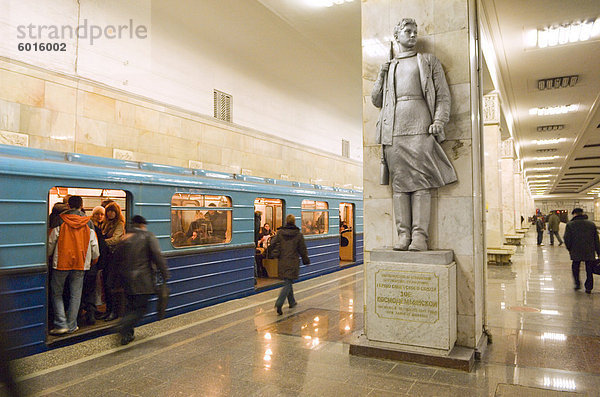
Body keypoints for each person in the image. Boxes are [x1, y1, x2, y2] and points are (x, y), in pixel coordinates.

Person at [372, 18, 457, 251]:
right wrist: (381, 74)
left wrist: (439, 119)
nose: (412, 35)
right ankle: (403, 234)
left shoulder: (428, 61)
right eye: (407, 31)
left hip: (420, 124)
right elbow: (376, 100)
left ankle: (420, 236)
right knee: (399, 184)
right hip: (394, 129)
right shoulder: (390, 66)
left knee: (421, 182)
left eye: (415, 32)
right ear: (397, 36)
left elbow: (443, 95)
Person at [47, 195, 99, 334]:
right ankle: (71, 325)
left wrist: (49, 255)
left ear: (68, 206)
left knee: (56, 293)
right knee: (76, 295)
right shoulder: (89, 223)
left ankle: (60, 323)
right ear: (82, 206)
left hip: (61, 263)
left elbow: (51, 242)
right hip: (81, 263)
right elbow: (94, 246)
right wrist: (93, 259)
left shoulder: (59, 220)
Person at [115, 215, 170, 345]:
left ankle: (127, 335)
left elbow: (116, 260)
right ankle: (122, 326)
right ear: (142, 225)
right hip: (142, 280)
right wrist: (165, 274)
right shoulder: (148, 236)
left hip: (126, 280)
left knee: (130, 308)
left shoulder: (124, 238)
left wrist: (115, 280)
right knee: (141, 309)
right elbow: (157, 256)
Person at [270, 214, 310, 315]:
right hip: (293, 261)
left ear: (286, 221)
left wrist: (272, 252)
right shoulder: (298, 235)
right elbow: (302, 249)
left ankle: (292, 302)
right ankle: (279, 302)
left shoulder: (280, 233)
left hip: (282, 260)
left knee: (288, 280)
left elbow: (272, 243)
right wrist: (306, 260)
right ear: (294, 222)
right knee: (288, 282)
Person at [80, 206, 108, 325]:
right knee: (90, 290)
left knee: (79, 290)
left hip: (76, 264)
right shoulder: (93, 228)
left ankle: (78, 316)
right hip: (91, 264)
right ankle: (90, 314)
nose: (100, 216)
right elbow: (96, 249)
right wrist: (96, 262)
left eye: (102, 214)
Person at [564, 208, 600, 293]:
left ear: (574, 214)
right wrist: (598, 251)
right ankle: (588, 287)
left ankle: (577, 284)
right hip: (589, 250)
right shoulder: (591, 224)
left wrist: (570, 248)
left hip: (576, 250)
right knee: (589, 269)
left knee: (575, 267)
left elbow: (567, 239)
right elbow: (596, 239)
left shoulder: (570, 225)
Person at [101, 201, 126, 321]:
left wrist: (102, 242)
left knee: (112, 284)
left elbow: (116, 239)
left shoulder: (119, 224)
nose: (110, 214)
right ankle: (108, 309)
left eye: (112, 211)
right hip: (107, 256)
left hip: (115, 257)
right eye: (108, 211)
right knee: (106, 284)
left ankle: (114, 311)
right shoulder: (105, 223)